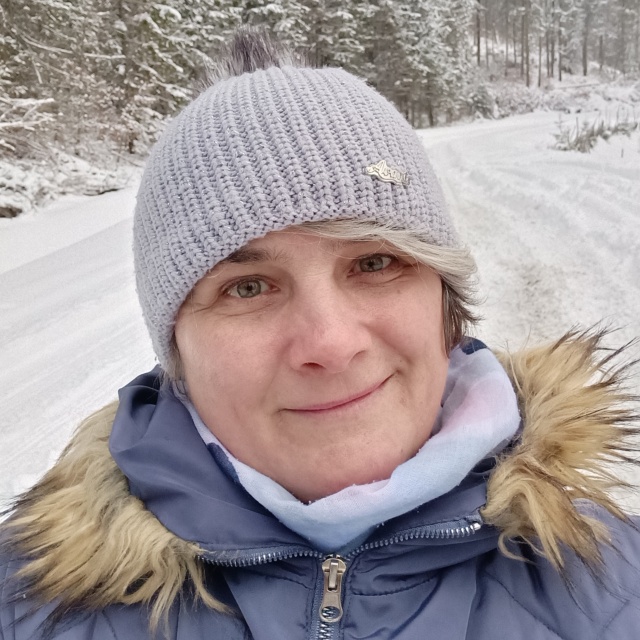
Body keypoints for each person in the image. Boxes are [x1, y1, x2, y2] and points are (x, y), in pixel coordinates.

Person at [1, 28, 639, 640]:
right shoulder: (26, 606)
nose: (331, 344)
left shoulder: (618, 590)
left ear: (445, 303)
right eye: (247, 287)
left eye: (375, 262)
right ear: (178, 353)